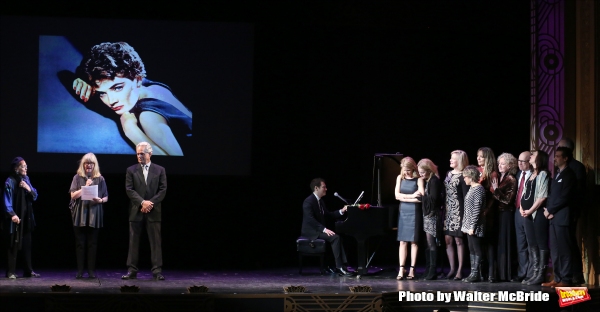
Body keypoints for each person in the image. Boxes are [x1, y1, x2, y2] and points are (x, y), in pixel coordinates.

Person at [72, 42, 192, 156]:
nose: (111, 100)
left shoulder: (148, 116)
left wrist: (132, 131)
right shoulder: (151, 87)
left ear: (138, 79)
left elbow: (175, 162)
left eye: (117, 88)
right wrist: (83, 79)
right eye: (102, 93)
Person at [122, 142, 167, 281]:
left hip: (154, 211)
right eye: (138, 153)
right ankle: (132, 270)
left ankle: (157, 271)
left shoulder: (160, 170)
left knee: (155, 242)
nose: (139, 156)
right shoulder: (131, 170)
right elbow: (129, 190)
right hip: (136, 210)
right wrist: (142, 202)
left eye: (142, 153)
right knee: (133, 241)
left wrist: (150, 203)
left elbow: (163, 190)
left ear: (150, 154)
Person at [68, 153, 108, 278]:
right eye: (86, 163)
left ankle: (91, 271)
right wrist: (85, 187)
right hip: (80, 213)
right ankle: (80, 271)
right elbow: (73, 195)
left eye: (91, 163)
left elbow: (106, 197)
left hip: (94, 213)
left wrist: (100, 200)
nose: (88, 166)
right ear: (83, 165)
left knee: (92, 244)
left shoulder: (100, 179)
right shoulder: (77, 177)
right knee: (80, 243)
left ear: (94, 165)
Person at [301, 178, 351, 276]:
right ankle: (339, 267)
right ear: (316, 188)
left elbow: (329, 215)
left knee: (338, 237)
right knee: (335, 237)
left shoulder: (320, 201)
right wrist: (324, 229)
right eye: (324, 187)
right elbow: (310, 219)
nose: (326, 189)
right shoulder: (308, 201)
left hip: (318, 230)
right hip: (311, 232)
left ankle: (343, 265)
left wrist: (342, 211)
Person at [541, 146, 577, 287]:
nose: (554, 158)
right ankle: (557, 277)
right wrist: (547, 210)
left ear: (565, 158)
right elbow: (552, 195)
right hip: (553, 218)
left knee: (564, 249)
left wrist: (550, 210)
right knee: (555, 250)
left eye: (558, 156)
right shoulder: (557, 174)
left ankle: (566, 279)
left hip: (562, 217)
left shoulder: (569, 175)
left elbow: (564, 197)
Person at [2, 157, 40, 279]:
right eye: (23, 166)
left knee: (27, 245)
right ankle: (11, 271)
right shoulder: (10, 181)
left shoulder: (26, 179)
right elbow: (6, 200)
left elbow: (35, 196)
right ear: (16, 168)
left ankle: (28, 271)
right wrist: (12, 214)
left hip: (27, 218)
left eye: (26, 166)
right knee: (13, 244)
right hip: (15, 218)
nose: (25, 169)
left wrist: (27, 188)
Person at [557, 138, 586, 284]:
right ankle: (564, 274)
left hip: (570, 212)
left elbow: (577, 193)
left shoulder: (576, 167)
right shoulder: (561, 168)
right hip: (559, 213)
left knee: (570, 244)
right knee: (563, 244)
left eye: (560, 149)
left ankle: (576, 275)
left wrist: (575, 212)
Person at [520, 150, 549, 285]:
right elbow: (525, 193)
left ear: (539, 158)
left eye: (533, 155)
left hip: (537, 214)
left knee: (541, 243)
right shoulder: (531, 174)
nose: (530, 156)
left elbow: (542, 196)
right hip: (527, 213)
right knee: (531, 243)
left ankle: (541, 274)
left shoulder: (543, 174)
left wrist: (530, 210)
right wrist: (521, 207)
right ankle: (534, 272)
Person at [394, 157, 424, 280]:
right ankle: (401, 268)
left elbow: (420, 198)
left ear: (413, 168)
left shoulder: (419, 180)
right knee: (402, 241)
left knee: (414, 241)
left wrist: (404, 197)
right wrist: (411, 196)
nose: (406, 172)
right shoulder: (399, 178)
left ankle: (412, 268)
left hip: (414, 212)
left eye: (407, 170)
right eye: (404, 169)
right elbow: (396, 196)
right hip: (403, 212)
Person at [443, 150, 470, 280]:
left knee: (459, 240)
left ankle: (460, 270)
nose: (450, 160)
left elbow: (466, 197)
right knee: (448, 240)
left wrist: (465, 217)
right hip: (448, 211)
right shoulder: (448, 174)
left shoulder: (464, 175)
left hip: (459, 212)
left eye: (453, 159)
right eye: (450, 158)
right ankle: (452, 268)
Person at [490, 152, 517, 282]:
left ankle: (506, 274)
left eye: (503, 164)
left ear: (510, 166)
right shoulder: (501, 177)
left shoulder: (511, 178)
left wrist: (495, 190)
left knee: (505, 243)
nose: (499, 166)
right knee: (499, 243)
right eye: (499, 163)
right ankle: (499, 273)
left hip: (506, 214)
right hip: (499, 214)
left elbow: (507, 200)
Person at [475, 147, 499, 283]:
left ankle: (491, 274)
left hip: (487, 212)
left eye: (481, 157)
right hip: (477, 211)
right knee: (479, 243)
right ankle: (480, 272)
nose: (478, 159)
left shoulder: (492, 174)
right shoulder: (476, 171)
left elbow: (493, 196)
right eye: (478, 156)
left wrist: (487, 209)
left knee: (489, 242)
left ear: (488, 158)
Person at [417, 158, 443, 280]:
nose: (420, 175)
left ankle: (432, 270)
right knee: (427, 243)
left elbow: (432, 201)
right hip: (427, 215)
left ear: (429, 170)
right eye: (419, 172)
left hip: (433, 215)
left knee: (431, 243)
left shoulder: (434, 181)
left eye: (422, 172)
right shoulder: (428, 181)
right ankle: (428, 268)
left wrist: (421, 190)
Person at [461, 165, 486, 283]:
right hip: (468, 225)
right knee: (471, 249)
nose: (464, 179)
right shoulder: (471, 188)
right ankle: (474, 272)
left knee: (477, 249)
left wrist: (472, 226)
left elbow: (476, 209)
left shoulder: (478, 189)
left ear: (471, 177)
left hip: (474, 226)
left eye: (465, 177)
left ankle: (475, 273)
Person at [513, 151, 532, 283]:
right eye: (518, 161)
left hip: (529, 213)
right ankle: (522, 272)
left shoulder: (534, 175)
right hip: (517, 212)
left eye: (523, 161)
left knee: (531, 244)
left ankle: (531, 274)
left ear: (530, 162)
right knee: (521, 245)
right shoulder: (519, 174)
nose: (519, 164)